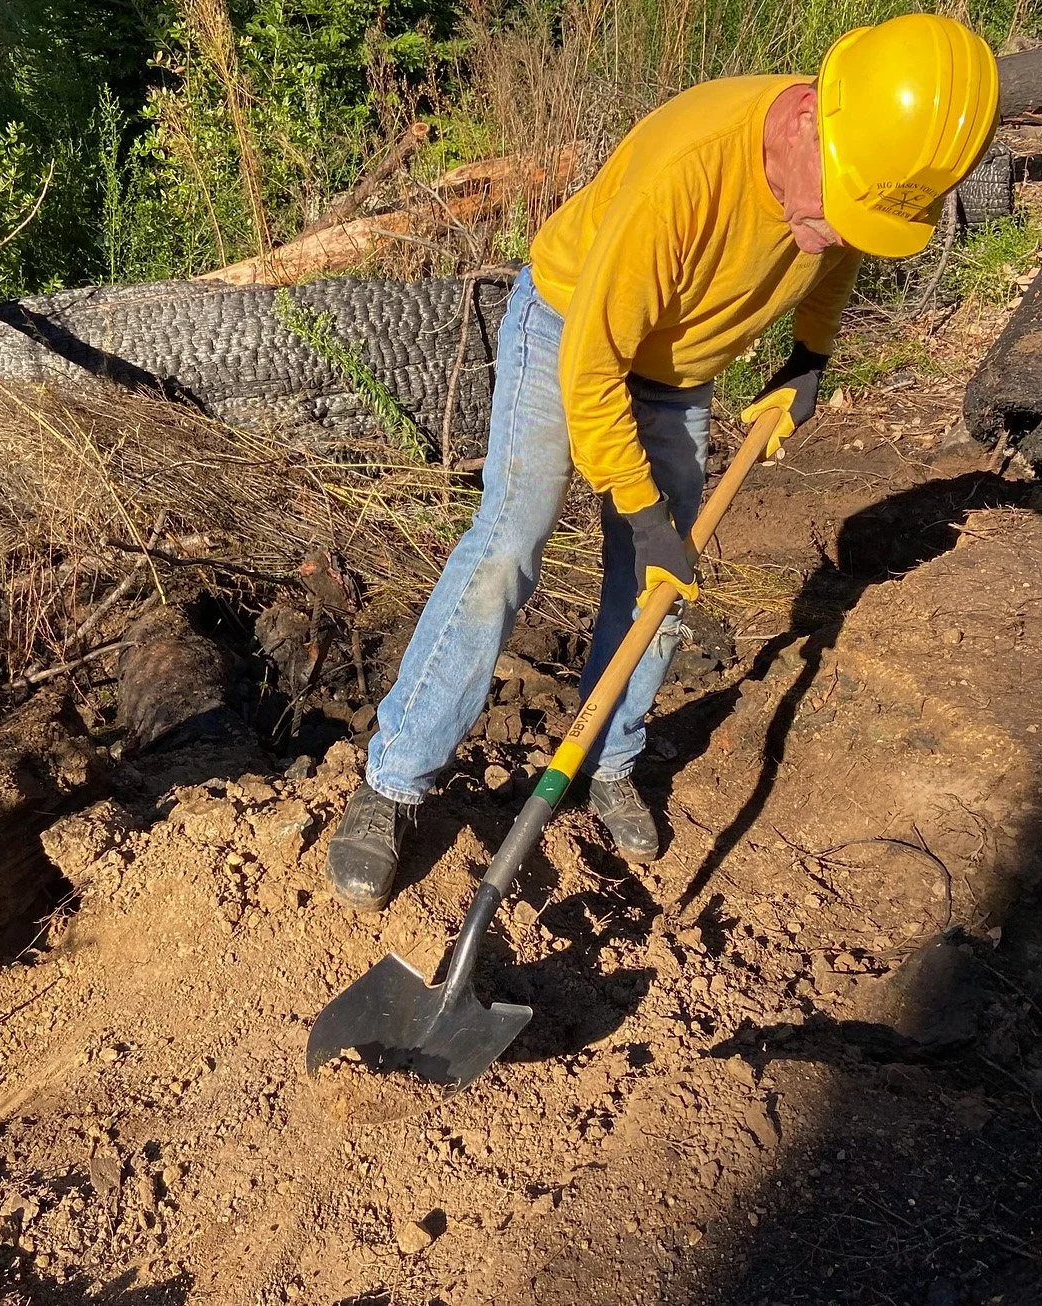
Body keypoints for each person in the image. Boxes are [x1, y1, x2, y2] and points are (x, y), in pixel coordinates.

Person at [326, 13, 1001, 910]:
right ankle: (395, 781)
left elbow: (841, 247)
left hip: (678, 368)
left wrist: (808, 357)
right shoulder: (687, 174)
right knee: (506, 546)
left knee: (656, 590)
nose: (824, 230)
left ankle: (607, 758)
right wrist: (644, 516)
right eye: (829, 205)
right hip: (572, 331)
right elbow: (592, 367)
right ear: (807, 119)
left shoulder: (847, 167)